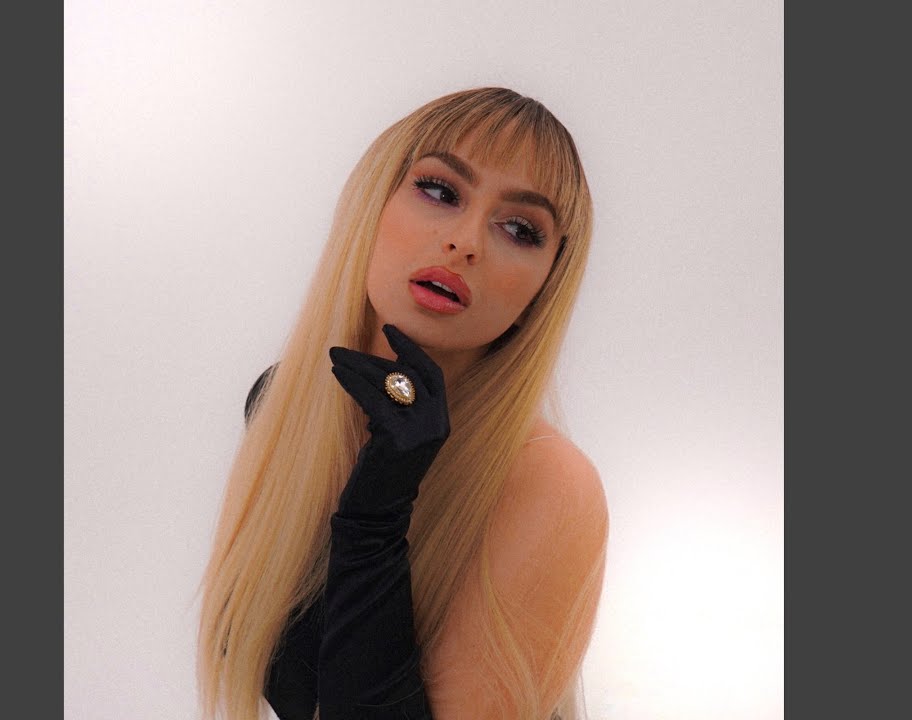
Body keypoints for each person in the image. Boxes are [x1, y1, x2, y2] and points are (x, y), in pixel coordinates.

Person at [197, 87, 607, 720]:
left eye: (520, 229)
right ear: (374, 200)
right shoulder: (284, 405)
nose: (466, 242)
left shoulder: (547, 483)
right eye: (440, 191)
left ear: (546, 284)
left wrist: (375, 517)